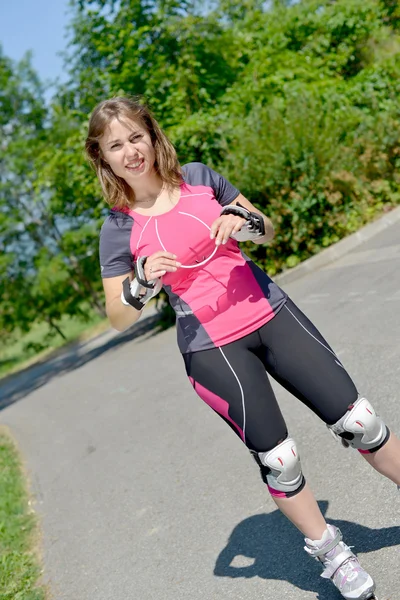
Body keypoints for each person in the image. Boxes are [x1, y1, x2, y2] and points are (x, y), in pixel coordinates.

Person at [85, 96, 399, 600]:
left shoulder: (199, 178)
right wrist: (141, 282)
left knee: (360, 421)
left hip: (271, 313)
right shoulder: (118, 227)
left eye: (136, 137)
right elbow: (118, 317)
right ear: (103, 157)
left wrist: (246, 223)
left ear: (151, 134)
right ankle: (333, 555)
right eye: (116, 145)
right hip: (211, 347)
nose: (130, 151)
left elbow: (267, 229)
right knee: (280, 460)